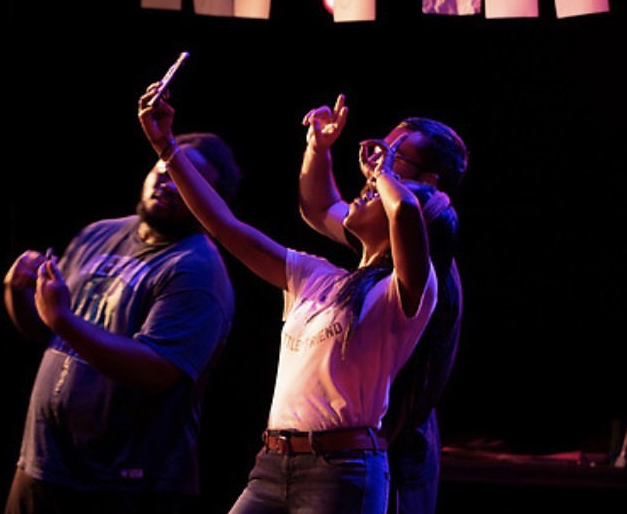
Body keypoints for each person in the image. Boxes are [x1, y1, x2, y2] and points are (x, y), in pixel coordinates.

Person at [138, 85, 438, 514]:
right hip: (272, 463)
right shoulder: (315, 275)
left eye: (377, 187)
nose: (365, 186)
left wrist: (383, 174)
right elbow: (225, 225)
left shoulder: (408, 289)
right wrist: (166, 147)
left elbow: (406, 213)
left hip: (343, 470)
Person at [2, 131, 242, 514]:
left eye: (184, 175)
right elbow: (43, 330)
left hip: (122, 486)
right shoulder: (100, 234)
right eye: (161, 167)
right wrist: (18, 292)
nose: (166, 177)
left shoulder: (196, 269)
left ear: (209, 199)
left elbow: (158, 369)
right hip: (43, 465)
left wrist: (62, 320)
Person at [298, 94, 468, 514]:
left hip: (394, 443)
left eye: (394, 158)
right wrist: (318, 148)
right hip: (364, 440)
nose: (376, 165)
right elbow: (319, 208)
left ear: (430, 181)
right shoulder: (382, 237)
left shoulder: (426, 260)